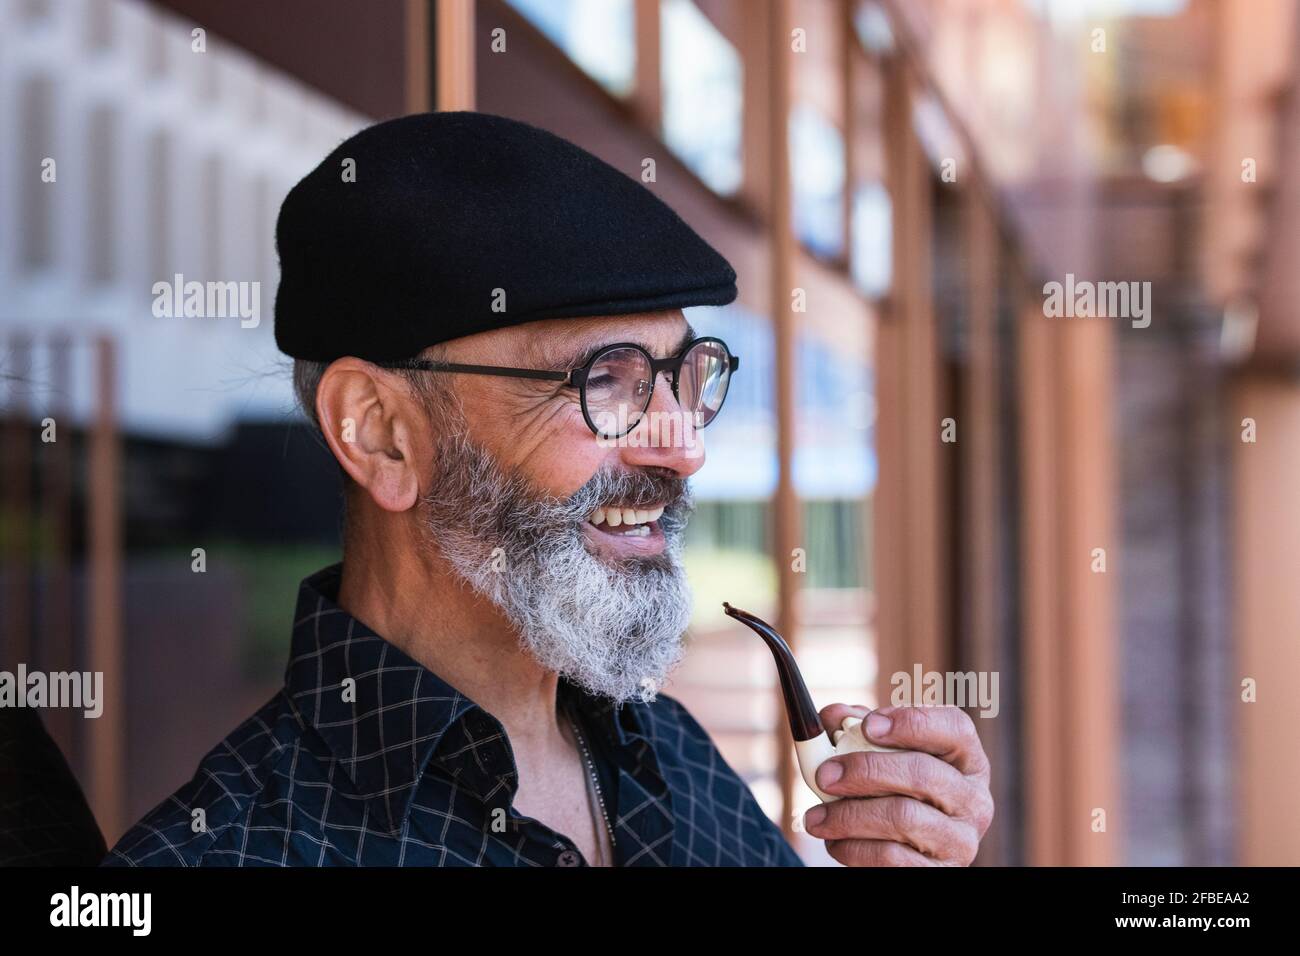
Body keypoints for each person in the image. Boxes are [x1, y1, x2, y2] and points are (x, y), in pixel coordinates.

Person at [106, 112, 992, 867]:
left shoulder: (675, 759)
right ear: (379, 432)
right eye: (606, 379)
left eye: (687, 374)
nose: (683, 451)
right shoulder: (224, 849)